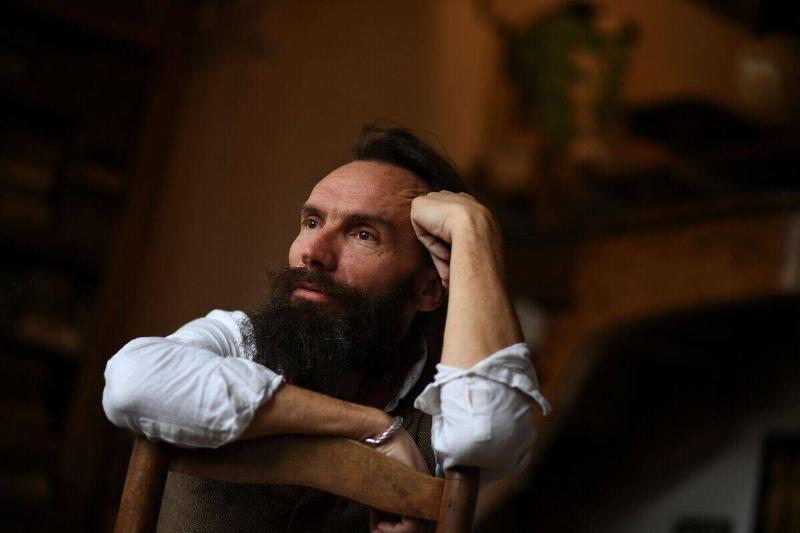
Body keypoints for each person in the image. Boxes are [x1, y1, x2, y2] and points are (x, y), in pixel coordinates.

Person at [103, 123, 549, 533]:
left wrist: (474, 231)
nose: (313, 252)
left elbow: (486, 431)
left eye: (362, 234)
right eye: (312, 222)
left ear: (427, 289)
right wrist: (371, 428)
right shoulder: (236, 343)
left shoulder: (440, 412)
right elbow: (130, 382)